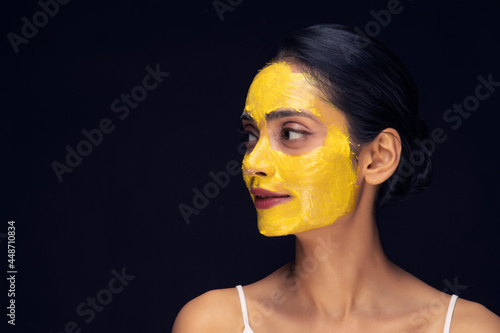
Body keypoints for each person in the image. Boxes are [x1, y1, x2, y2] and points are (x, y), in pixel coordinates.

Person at [172, 24, 500, 332]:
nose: (252, 163)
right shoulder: (215, 323)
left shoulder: (468, 327)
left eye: (291, 132)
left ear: (378, 157)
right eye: (252, 135)